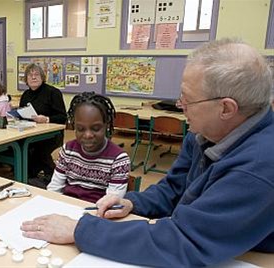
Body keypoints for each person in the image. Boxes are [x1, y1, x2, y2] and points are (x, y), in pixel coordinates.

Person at [20, 38, 274, 267]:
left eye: (187, 98)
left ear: (226, 109)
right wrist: (133, 202)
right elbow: (173, 189)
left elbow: (183, 241)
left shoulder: (258, 166)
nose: (179, 104)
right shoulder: (204, 133)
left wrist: (79, 231)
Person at [47, 92, 130, 203]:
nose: (88, 135)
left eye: (96, 128)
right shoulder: (68, 150)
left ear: (106, 125)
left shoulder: (118, 159)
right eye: (80, 129)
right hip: (66, 206)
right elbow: (55, 188)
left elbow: (111, 202)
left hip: (97, 212)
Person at [19, 63, 67, 186]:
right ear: (26, 79)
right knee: (20, 146)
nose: (33, 77)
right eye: (30, 75)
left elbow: (63, 117)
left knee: (37, 149)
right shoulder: (25, 95)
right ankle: (25, 174)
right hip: (29, 132)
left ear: (42, 77)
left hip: (51, 135)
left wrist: (46, 119)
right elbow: (21, 114)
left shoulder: (53, 92)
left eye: (36, 75)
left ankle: (49, 175)